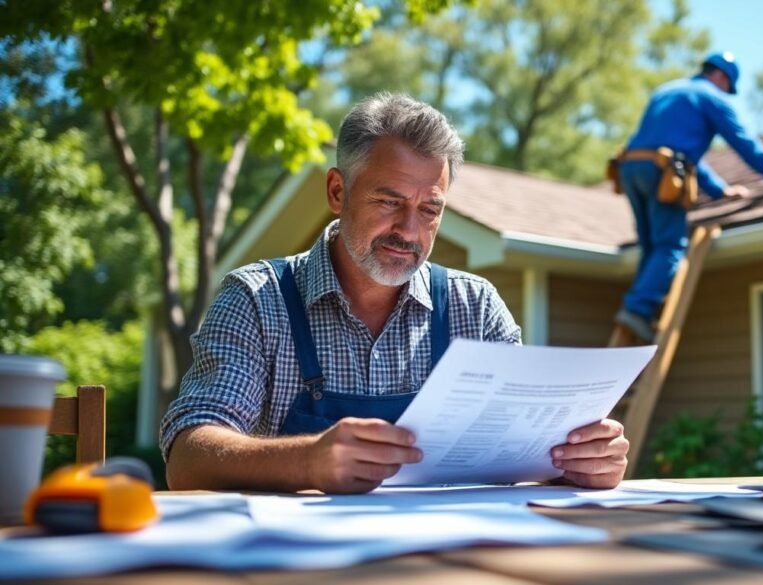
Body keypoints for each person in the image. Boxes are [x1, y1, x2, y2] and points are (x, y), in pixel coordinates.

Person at [161, 94, 629, 493]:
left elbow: (521, 454)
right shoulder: (257, 299)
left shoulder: (476, 308)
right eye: (389, 201)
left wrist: (580, 461)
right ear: (337, 191)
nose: (408, 230)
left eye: (429, 210)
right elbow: (187, 458)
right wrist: (307, 461)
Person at [615, 52, 763, 341]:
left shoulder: (666, 90)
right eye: (728, 87)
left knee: (651, 245)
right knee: (670, 246)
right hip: (662, 172)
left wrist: (720, 190)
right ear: (721, 76)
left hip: (630, 168)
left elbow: (682, 155)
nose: (726, 92)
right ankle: (637, 310)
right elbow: (741, 140)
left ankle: (637, 308)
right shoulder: (710, 97)